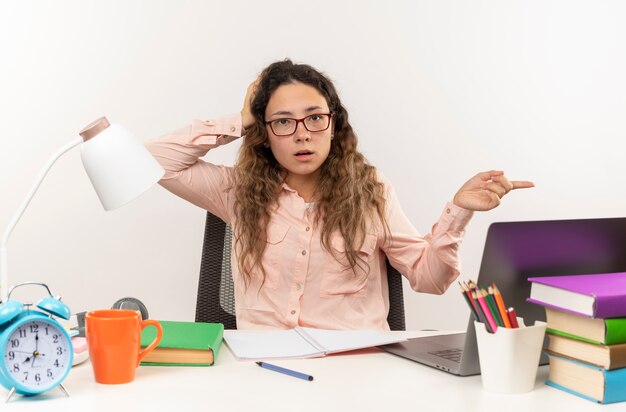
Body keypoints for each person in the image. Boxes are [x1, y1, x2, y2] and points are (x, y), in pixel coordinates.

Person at [146, 59, 534, 330]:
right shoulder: (236, 190)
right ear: (263, 135)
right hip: (262, 372)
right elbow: (151, 161)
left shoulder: (371, 192)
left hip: (356, 370)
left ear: (334, 125)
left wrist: (459, 213)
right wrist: (242, 118)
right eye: (282, 122)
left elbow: (430, 279)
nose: (301, 133)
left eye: (315, 117)